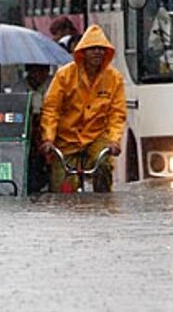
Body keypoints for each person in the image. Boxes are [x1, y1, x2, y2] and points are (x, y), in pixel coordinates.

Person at [39, 24, 126, 193]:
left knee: (104, 166)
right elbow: (51, 109)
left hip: (96, 137)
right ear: (83, 52)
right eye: (92, 49)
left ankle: (104, 206)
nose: (97, 52)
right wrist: (48, 138)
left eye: (101, 49)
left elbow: (117, 114)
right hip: (66, 139)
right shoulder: (64, 76)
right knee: (62, 187)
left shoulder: (114, 78)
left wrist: (114, 141)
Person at [12, 63, 53, 193]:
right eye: (36, 71)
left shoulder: (54, 85)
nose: (40, 75)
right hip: (25, 126)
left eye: (43, 70)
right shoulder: (19, 88)